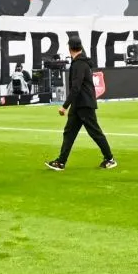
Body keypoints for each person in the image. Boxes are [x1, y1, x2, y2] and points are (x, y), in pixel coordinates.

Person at [46, 34, 114, 171]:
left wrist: (64, 106)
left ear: (70, 48)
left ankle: (110, 159)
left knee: (94, 132)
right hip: (80, 104)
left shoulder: (79, 64)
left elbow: (76, 87)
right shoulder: (82, 62)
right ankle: (61, 162)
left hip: (84, 104)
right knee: (69, 133)